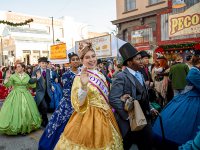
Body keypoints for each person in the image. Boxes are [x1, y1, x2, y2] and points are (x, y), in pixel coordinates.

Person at [55, 43, 123, 150]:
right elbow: (79, 102)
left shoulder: (100, 74)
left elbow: (105, 95)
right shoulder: (79, 77)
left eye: (93, 56)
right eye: (87, 57)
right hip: (87, 116)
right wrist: (84, 85)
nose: (91, 60)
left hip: (106, 115)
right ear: (82, 60)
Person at [109, 43, 154, 150]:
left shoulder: (140, 74)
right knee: (127, 145)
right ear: (129, 62)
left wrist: (151, 107)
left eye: (141, 59)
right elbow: (113, 98)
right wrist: (128, 116)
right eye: (138, 59)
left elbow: (144, 94)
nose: (142, 61)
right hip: (130, 123)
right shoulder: (121, 76)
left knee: (146, 145)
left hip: (144, 119)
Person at [152, 50, 200, 149]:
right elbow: (189, 76)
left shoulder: (172, 67)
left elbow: (170, 77)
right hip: (186, 91)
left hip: (177, 88)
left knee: (171, 101)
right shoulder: (188, 68)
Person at [38, 52, 80, 150]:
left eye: (77, 59)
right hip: (70, 104)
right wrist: (76, 103)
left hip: (83, 102)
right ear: (69, 62)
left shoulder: (83, 72)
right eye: (73, 59)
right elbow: (66, 92)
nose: (75, 61)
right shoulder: (66, 74)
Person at [0, 62, 41, 135]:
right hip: (15, 94)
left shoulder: (27, 76)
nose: (17, 68)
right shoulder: (13, 76)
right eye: (16, 67)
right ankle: (17, 127)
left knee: (26, 111)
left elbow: (30, 85)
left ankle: (25, 127)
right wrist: (7, 77)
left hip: (26, 94)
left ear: (23, 68)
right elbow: (7, 85)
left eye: (19, 66)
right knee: (16, 111)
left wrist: (37, 78)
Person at [29, 57, 53, 127]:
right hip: (40, 92)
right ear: (39, 63)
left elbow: (48, 81)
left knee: (46, 106)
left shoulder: (48, 71)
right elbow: (31, 81)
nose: (44, 64)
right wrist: (38, 77)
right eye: (43, 63)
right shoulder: (36, 71)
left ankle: (43, 118)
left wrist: (51, 86)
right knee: (44, 106)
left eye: (45, 63)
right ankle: (45, 120)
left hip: (47, 92)